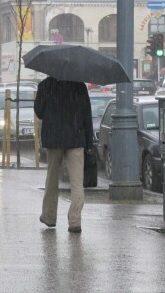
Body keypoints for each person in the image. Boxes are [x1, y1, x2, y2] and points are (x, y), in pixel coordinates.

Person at [34, 76, 93, 234]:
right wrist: (89, 143)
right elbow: (87, 115)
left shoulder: (46, 85)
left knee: (52, 179)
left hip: (54, 138)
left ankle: (49, 216)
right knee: (77, 182)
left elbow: (39, 112)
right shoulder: (79, 85)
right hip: (76, 138)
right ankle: (75, 221)